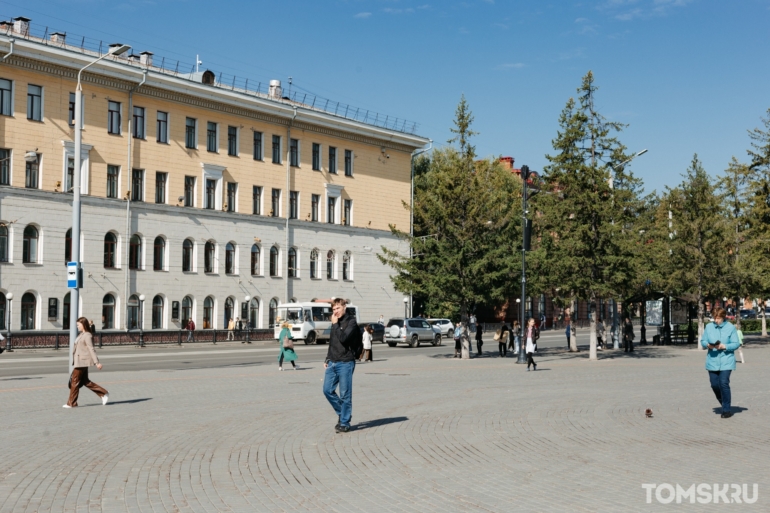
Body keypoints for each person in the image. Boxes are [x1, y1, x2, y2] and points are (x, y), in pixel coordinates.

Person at [323, 298, 360, 433]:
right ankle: (343, 412)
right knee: (327, 390)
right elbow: (333, 342)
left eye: (338, 308)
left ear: (344, 306)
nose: (335, 311)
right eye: (333, 309)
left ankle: (344, 422)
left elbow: (344, 338)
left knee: (345, 394)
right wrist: (327, 358)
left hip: (345, 362)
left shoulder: (351, 321)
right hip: (332, 361)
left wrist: (335, 325)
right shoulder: (335, 322)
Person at [700, 307, 740, 418]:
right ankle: (724, 402)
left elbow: (736, 343)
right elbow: (703, 341)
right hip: (712, 360)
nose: (716, 320)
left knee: (723, 383)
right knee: (714, 385)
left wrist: (725, 346)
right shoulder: (709, 327)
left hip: (726, 361)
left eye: (718, 318)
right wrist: (707, 345)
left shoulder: (730, 328)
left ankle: (726, 410)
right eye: (714, 318)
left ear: (723, 317)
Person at [64, 317, 108, 408]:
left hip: (82, 362)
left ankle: (71, 403)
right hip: (79, 361)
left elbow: (91, 349)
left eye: (78, 325)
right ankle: (103, 393)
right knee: (85, 381)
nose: (77, 327)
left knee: (74, 381)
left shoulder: (87, 335)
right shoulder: (81, 334)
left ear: (83, 324)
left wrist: (97, 362)